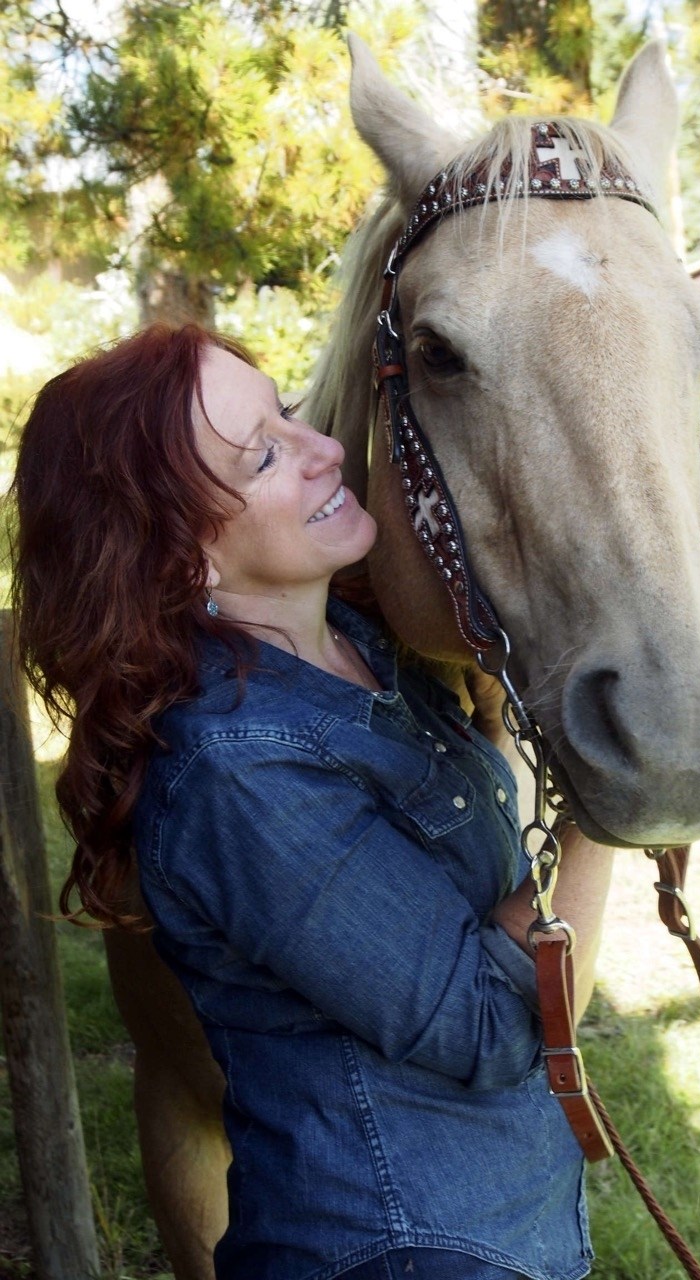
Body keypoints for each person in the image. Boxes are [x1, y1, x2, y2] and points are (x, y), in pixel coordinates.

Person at [10, 323, 616, 1280]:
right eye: (263, 454)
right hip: (403, 1244)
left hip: (496, 1220)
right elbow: (498, 1024)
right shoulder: (237, 772)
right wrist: (606, 808)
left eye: (286, 411)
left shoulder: (355, 648)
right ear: (181, 560)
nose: (325, 447)